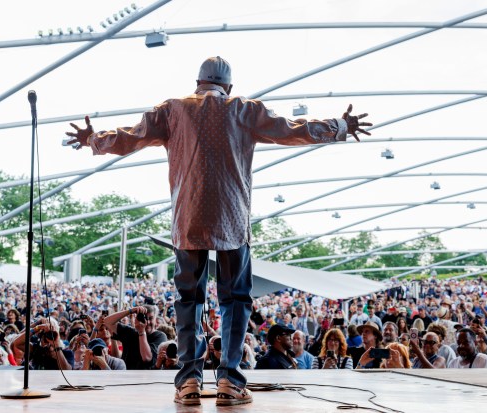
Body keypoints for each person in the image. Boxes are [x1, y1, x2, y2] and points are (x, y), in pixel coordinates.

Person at [65, 56, 370, 406]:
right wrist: (339, 127)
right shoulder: (243, 109)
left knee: (188, 301)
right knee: (235, 300)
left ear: (197, 83)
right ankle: (229, 381)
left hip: (188, 220)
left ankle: (189, 383)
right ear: (229, 87)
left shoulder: (172, 110)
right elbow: (292, 129)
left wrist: (94, 139)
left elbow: (130, 137)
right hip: (232, 219)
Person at [103, 304, 167, 370]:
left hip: (147, 378)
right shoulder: (131, 332)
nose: (147, 322)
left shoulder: (160, 336)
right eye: (144, 318)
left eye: (150, 318)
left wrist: (141, 332)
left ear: (155, 319)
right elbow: (107, 322)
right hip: (126, 377)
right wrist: (131, 311)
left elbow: (147, 358)